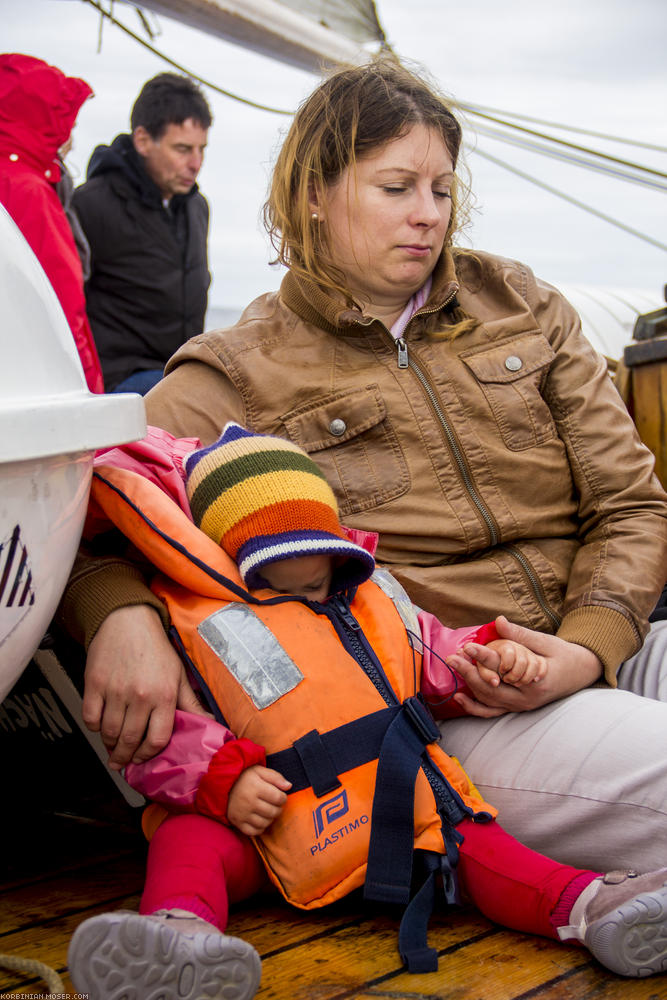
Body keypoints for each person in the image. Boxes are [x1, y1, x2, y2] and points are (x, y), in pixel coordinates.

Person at [57, 56, 667, 877]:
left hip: (614, 638)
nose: (427, 217)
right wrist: (117, 615)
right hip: (456, 703)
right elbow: (79, 510)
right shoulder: (234, 376)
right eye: (395, 189)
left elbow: (631, 504)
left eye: (441, 191)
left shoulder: (522, 305)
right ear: (316, 192)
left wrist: (588, 648)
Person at [66, 425, 667, 998]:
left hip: (392, 800)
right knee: (185, 838)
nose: (316, 599)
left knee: (477, 837)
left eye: (324, 576)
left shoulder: (367, 596)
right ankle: (178, 936)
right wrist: (227, 782)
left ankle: (589, 906)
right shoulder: (190, 621)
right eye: (290, 585)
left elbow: (437, 656)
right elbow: (156, 741)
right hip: (256, 827)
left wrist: (492, 657)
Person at [72, 72, 212, 394]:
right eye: (182, 149)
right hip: (118, 379)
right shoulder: (91, 204)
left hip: (177, 370)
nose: (196, 163)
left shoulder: (196, 208)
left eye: (201, 149)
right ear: (143, 140)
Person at [0, 53, 104, 393]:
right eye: (66, 124)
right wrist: (90, 395)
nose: (71, 137)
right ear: (36, 121)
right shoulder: (29, 192)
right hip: (45, 385)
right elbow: (63, 307)